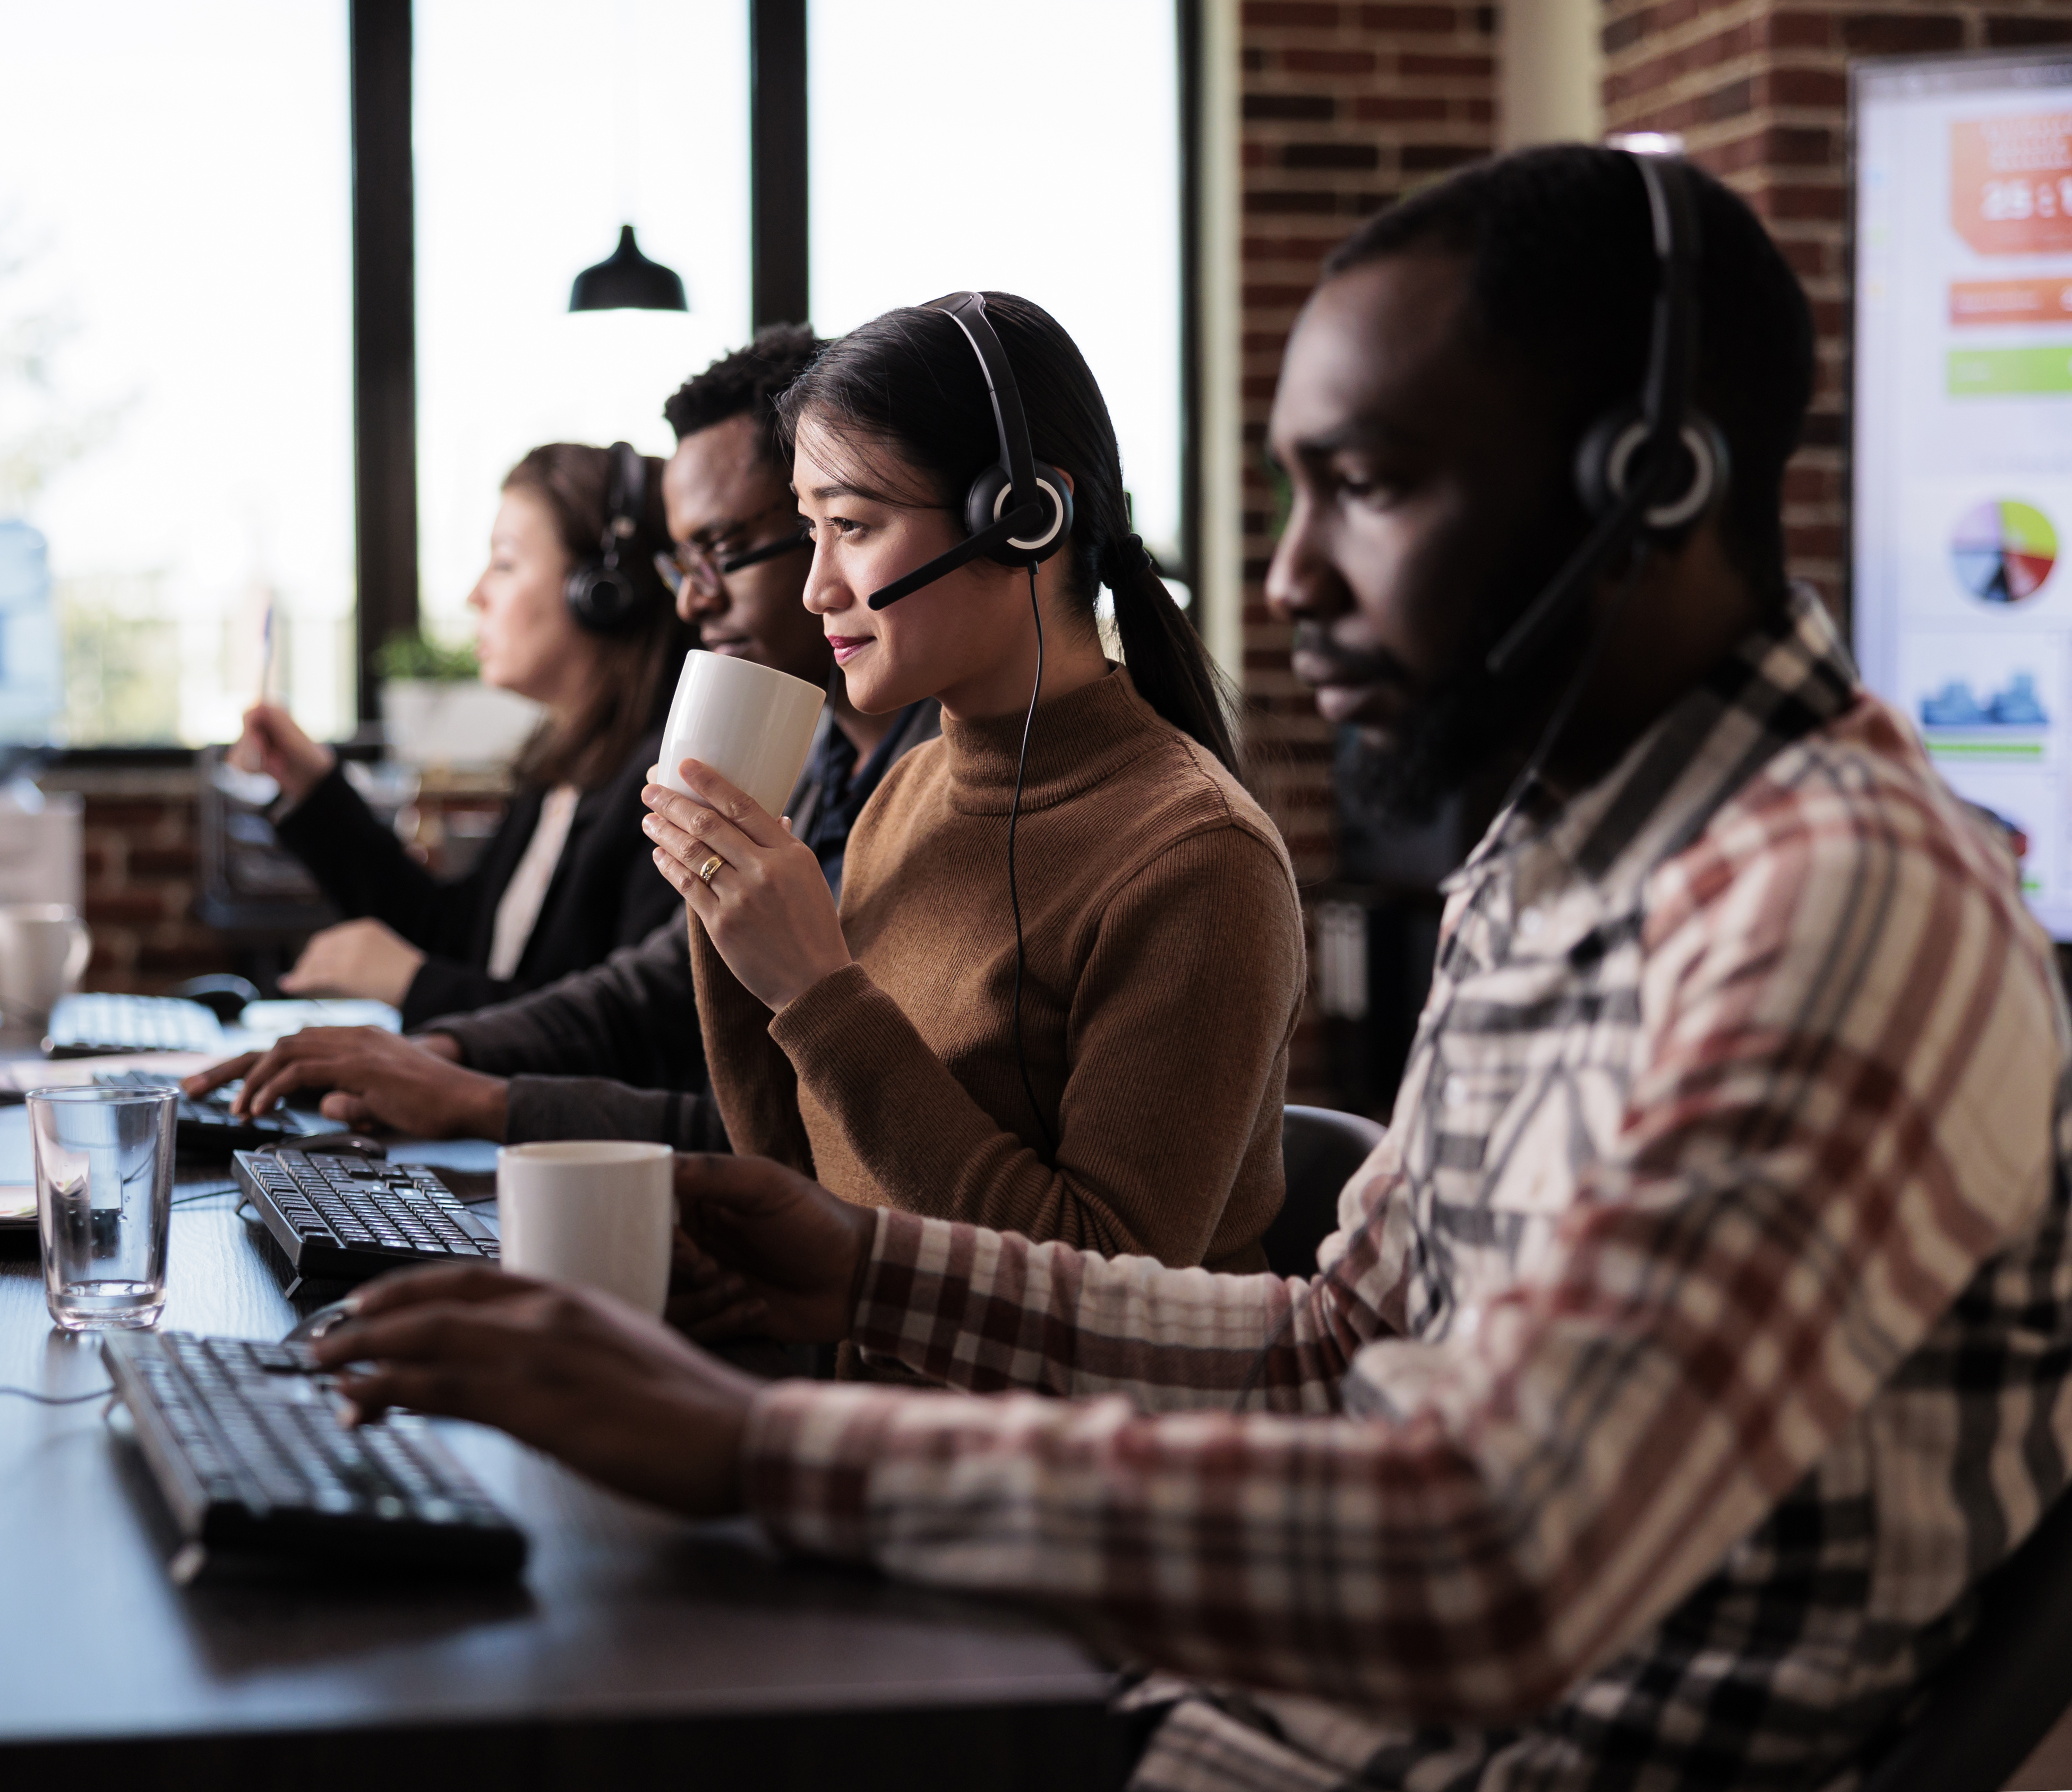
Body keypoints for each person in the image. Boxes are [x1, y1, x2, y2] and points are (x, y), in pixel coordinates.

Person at [305, 148, 2072, 1789]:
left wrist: (760, 1452)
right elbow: (1340, 1338)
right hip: (1329, 1708)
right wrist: (870, 1259)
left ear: (1650, 484)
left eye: (1366, 487)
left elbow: (1496, 1555)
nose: (1291, 574)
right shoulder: (1554, 860)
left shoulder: (1840, 902)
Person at [647, 293, 1303, 1267]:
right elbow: (815, 1202)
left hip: (1074, 1422)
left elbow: (1103, 1289)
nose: (815, 587)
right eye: (809, 528)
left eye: (854, 526)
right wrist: (723, 906)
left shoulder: (1198, 864)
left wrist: (816, 990)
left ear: (1020, 517)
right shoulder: (904, 794)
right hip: (867, 1404)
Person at [189, 331, 939, 1146]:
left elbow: (745, 1093)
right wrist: (435, 1053)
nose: (692, 601)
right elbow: (643, 990)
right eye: (681, 562)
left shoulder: (762, 769)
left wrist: (454, 1060)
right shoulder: (816, 767)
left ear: (600, 594)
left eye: (850, 526)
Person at [230, 442, 692, 1030]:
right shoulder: (563, 771)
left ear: (602, 591)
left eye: (504, 563)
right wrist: (313, 783)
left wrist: (413, 983)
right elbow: (463, 938)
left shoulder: (663, 788)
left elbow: (613, 1035)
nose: (475, 594)